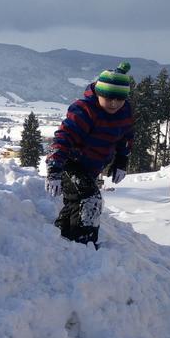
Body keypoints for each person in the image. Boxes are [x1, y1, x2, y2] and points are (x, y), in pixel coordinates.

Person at [45, 62, 134, 246]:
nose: (114, 103)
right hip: (71, 163)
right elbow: (64, 137)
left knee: (75, 202)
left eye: (119, 99)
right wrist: (54, 168)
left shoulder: (124, 112)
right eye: (109, 97)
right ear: (99, 93)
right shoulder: (84, 111)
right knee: (90, 197)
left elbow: (125, 137)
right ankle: (84, 243)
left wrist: (121, 160)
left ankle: (61, 237)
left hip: (92, 167)